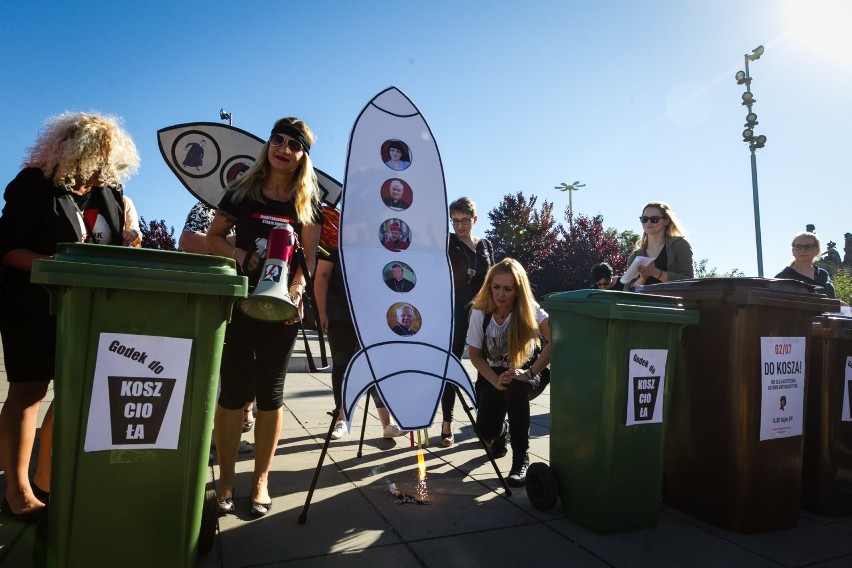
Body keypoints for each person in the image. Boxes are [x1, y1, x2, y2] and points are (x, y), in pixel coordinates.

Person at [0, 112, 140, 521]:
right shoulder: (33, 186)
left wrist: (130, 240)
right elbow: (7, 248)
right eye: (98, 157)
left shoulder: (110, 194)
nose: (105, 168)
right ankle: (17, 491)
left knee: (76, 393)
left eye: (110, 160)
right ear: (73, 151)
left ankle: (45, 479)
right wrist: (61, 266)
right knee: (28, 392)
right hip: (33, 307)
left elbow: (117, 244)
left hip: (90, 310)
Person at [206, 117, 322, 518]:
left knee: (271, 394)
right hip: (241, 305)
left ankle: (260, 481)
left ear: (303, 156)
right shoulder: (243, 192)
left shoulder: (307, 203)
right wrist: (243, 257)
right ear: (269, 144)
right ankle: (224, 482)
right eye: (278, 140)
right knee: (233, 392)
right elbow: (213, 238)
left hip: (282, 311)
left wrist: (295, 292)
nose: (284, 148)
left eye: (294, 144)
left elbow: (307, 258)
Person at [467, 258, 551, 487]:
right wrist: (495, 381)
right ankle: (500, 431)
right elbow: (474, 354)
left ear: (517, 290)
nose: (500, 294)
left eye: (507, 289)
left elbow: (556, 340)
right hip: (492, 376)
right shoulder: (480, 312)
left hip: (528, 374)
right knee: (486, 433)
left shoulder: (529, 309)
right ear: (489, 286)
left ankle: (520, 459)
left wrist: (529, 372)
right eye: (496, 287)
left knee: (515, 387)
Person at [179, 201, 257, 445]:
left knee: (237, 373)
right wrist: (228, 242)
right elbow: (187, 241)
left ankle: (224, 436)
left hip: (243, 302)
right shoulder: (209, 206)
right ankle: (202, 440)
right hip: (209, 301)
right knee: (209, 373)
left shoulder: (258, 207)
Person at [314, 249, 406, 440]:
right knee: (342, 365)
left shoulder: (376, 240)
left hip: (373, 315)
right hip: (340, 314)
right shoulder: (334, 240)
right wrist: (321, 311)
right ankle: (341, 418)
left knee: (376, 366)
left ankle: (387, 423)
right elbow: (321, 275)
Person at [442, 197, 493, 446]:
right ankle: (447, 424)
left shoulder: (484, 244)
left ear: (474, 219)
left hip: (484, 313)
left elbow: (490, 278)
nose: (459, 226)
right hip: (456, 312)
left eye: (464, 220)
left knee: (488, 365)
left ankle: (487, 422)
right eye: (455, 221)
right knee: (451, 365)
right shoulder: (448, 242)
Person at [611, 201, 693, 289]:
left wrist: (656, 273)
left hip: (673, 302)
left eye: (654, 219)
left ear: (666, 221)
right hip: (645, 303)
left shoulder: (680, 245)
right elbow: (627, 291)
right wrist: (642, 278)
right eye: (644, 219)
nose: (648, 223)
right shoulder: (635, 256)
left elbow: (689, 281)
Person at [775, 231, 836, 298]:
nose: (803, 250)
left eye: (808, 247)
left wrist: (839, 303)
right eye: (798, 247)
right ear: (793, 251)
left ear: (817, 250)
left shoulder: (823, 274)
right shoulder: (783, 277)